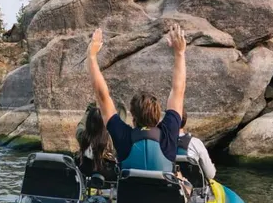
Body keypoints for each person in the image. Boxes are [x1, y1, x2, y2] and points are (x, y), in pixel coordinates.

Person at [86, 24, 187, 171]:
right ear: (158, 114)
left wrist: (92, 56)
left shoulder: (123, 137)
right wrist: (180, 53)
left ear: (133, 116)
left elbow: (102, 95)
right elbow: (179, 89)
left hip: (129, 194)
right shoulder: (169, 134)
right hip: (162, 194)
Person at [75, 105, 118, 183]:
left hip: (86, 174)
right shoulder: (112, 138)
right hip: (108, 178)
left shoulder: (82, 137)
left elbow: (80, 126)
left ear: (88, 123)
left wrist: (88, 112)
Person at [177, 110, 216, 181]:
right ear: (184, 121)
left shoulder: (160, 142)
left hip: (167, 186)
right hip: (192, 187)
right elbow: (210, 174)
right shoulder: (195, 143)